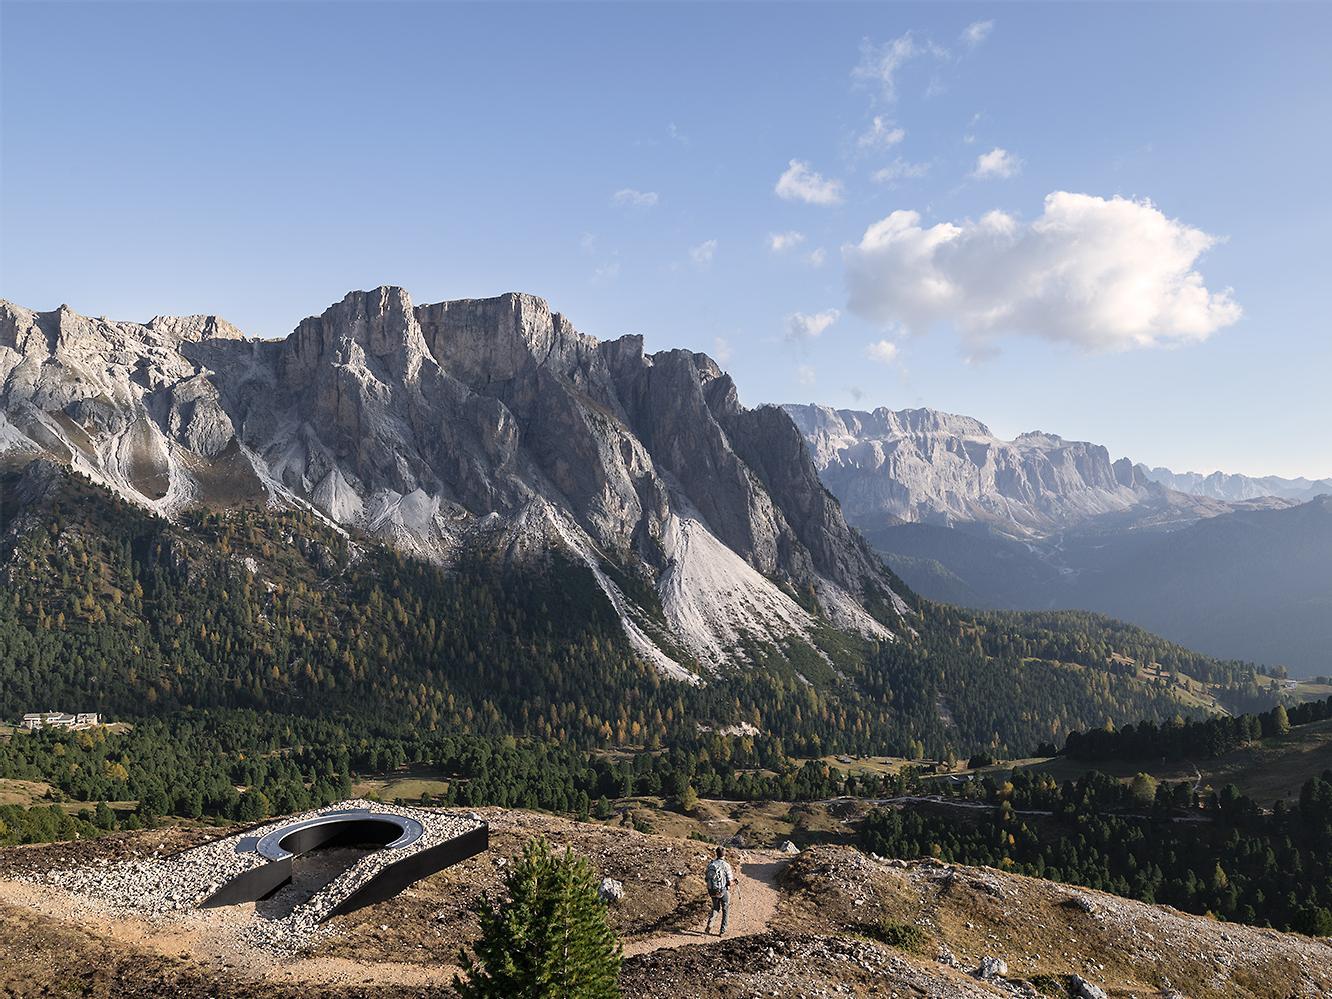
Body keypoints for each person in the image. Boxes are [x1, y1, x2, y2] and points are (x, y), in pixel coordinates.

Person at [703, 845, 737, 935]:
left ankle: (710, 925)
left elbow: (706, 879)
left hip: (712, 890)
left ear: (716, 854)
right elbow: (729, 882)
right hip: (722, 890)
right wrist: (734, 882)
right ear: (724, 854)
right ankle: (723, 931)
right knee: (725, 909)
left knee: (715, 907)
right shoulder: (726, 865)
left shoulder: (711, 864)